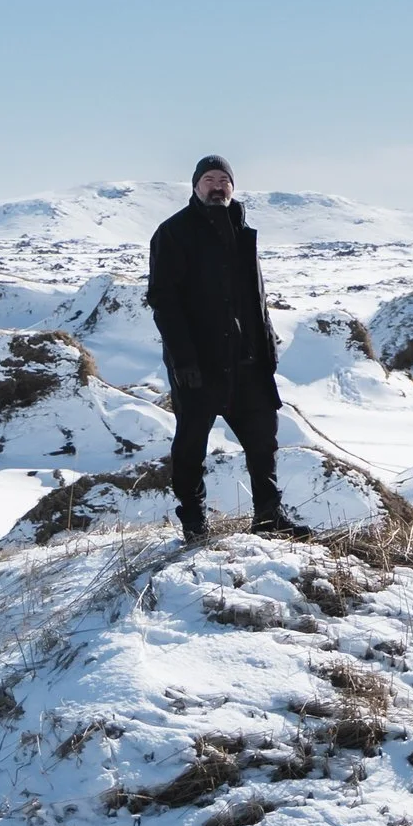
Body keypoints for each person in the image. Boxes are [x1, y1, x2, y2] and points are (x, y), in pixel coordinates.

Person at [145, 155, 309, 541]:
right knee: (191, 444)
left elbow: (255, 299)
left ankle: (268, 516)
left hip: (247, 361)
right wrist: (183, 358)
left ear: (233, 188)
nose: (217, 186)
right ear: (195, 186)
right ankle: (194, 521)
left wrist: (266, 347)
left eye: (224, 180)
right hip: (199, 363)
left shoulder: (242, 231)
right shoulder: (173, 233)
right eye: (209, 179)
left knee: (263, 438)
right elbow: (163, 300)